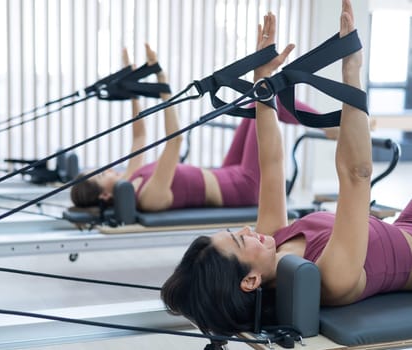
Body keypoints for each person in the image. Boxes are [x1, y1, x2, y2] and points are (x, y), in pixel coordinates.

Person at [160, 0, 412, 337]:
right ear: (250, 280)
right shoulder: (329, 278)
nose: (248, 229)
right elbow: (357, 175)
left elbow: (272, 164)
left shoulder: (274, 242)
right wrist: (352, 69)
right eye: (239, 239)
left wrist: (262, 84)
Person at [70, 44, 321, 212]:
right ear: (104, 197)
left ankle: (324, 125)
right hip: (244, 187)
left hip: (228, 172)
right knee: (263, 99)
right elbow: (175, 141)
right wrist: (162, 84)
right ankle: (327, 125)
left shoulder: (131, 180)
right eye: (102, 174)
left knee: (254, 100)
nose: (110, 169)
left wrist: (132, 85)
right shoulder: (147, 196)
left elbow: (140, 135)